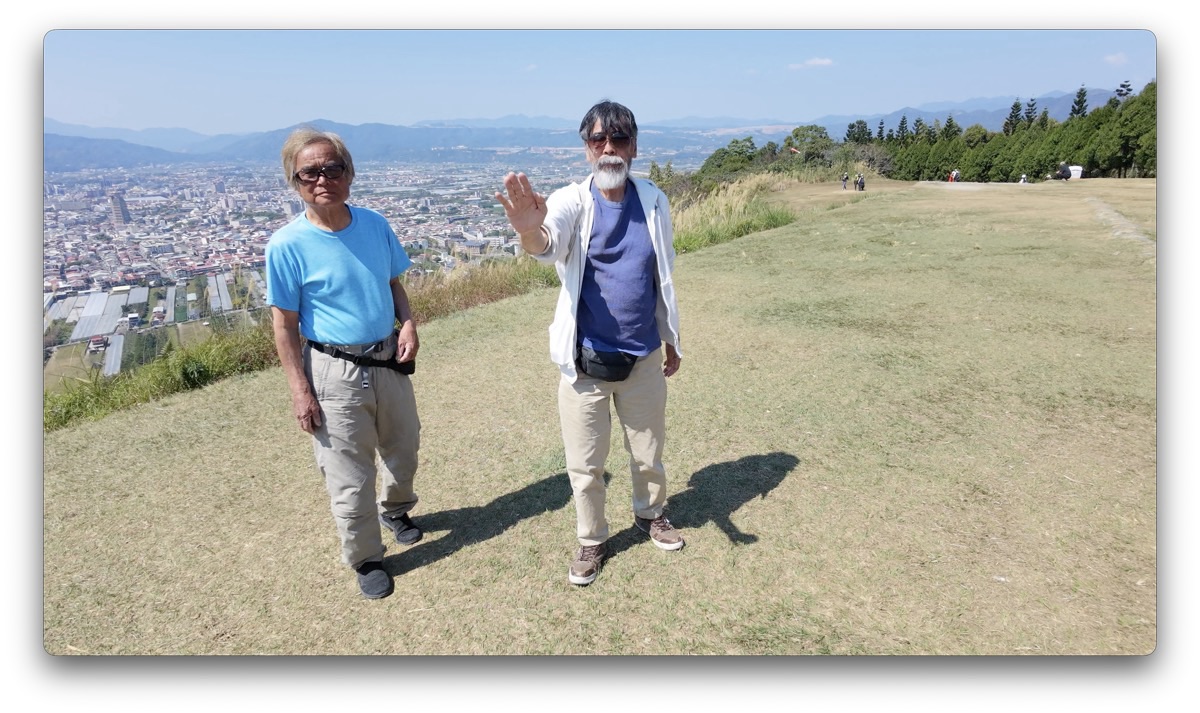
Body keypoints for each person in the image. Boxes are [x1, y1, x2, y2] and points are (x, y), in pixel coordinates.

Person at [495, 100, 685, 586]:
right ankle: (592, 538)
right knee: (585, 465)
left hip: (643, 355)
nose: (608, 148)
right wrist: (528, 231)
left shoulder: (654, 200)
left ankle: (650, 513)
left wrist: (671, 338)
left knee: (648, 453)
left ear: (634, 146)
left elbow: (662, 276)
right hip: (584, 362)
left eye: (618, 138)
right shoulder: (571, 201)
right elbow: (547, 244)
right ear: (586, 149)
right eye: (598, 139)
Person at [266, 127, 423, 600]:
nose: (323, 179)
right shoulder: (286, 245)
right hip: (333, 369)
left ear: (349, 173)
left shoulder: (374, 224)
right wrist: (300, 390)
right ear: (294, 182)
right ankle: (366, 557)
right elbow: (284, 325)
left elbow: (393, 282)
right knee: (348, 474)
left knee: (404, 448)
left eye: (333, 168)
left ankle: (395, 510)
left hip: (387, 357)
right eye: (309, 172)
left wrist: (408, 323)